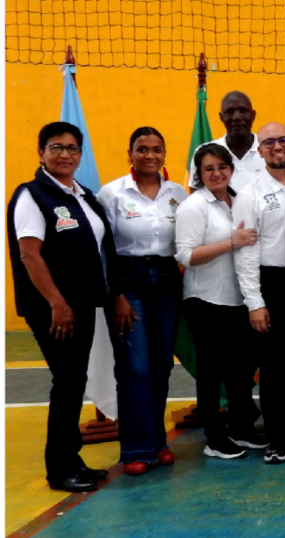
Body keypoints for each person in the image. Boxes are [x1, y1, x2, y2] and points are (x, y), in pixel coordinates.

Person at [7, 122, 121, 492]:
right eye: (56, 147)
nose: (65, 155)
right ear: (40, 152)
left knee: (74, 381)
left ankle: (71, 459)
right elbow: (29, 254)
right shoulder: (32, 195)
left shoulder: (82, 195)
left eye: (72, 149)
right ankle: (60, 468)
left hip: (82, 306)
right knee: (67, 383)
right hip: (55, 310)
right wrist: (57, 303)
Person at [96, 127, 188, 476]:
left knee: (161, 363)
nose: (150, 155)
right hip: (128, 281)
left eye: (157, 149)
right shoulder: (113, 193)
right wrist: (115, 293)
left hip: (166, 281)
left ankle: (157, 443)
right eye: (142, 149)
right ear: (130, 153)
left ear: (165, 154)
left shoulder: (176, 193)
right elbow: (105, 250)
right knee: (135, 366)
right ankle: (136, 447)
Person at [232, 122, 285, 464]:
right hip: (272, 284)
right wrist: (255, 302)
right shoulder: (250, 195)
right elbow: (246, 252)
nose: (277, 146)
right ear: (260, 150)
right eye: (269, 142)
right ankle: (278, 438)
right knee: (274, 366)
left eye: (283, 140)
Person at [176, 143, 265, 460]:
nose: (216, 173)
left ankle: (242, 430)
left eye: (222, 167)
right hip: (205, 300)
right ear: (199, 174)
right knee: (212, 373)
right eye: (208, 169)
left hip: (239, 299)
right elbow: (186, 255)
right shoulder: (193, 207)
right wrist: (231, 242)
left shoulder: (239, 201)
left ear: (231, 169)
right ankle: (215, 438)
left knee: (241, 371)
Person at [188, 91, 266, 192]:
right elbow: (196, 193)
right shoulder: (204, 153)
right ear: (221, 117)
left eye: (243, 111)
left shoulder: (269, 150)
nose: (236, 117)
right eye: (229, 112)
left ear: (253, 115)